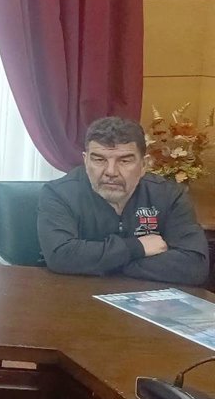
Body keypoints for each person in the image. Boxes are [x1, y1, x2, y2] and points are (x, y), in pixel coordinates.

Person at [38, 116, 210, 284]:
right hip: (74, 296)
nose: (111, 172)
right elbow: (60, 256)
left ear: (144, 165)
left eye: (124, 161)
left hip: (145, 298)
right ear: (85, 161)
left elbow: (195, 266)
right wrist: (137, 248)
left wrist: (104, 262)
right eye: (99, 160)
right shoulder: (59, 193)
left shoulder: (169, 195)